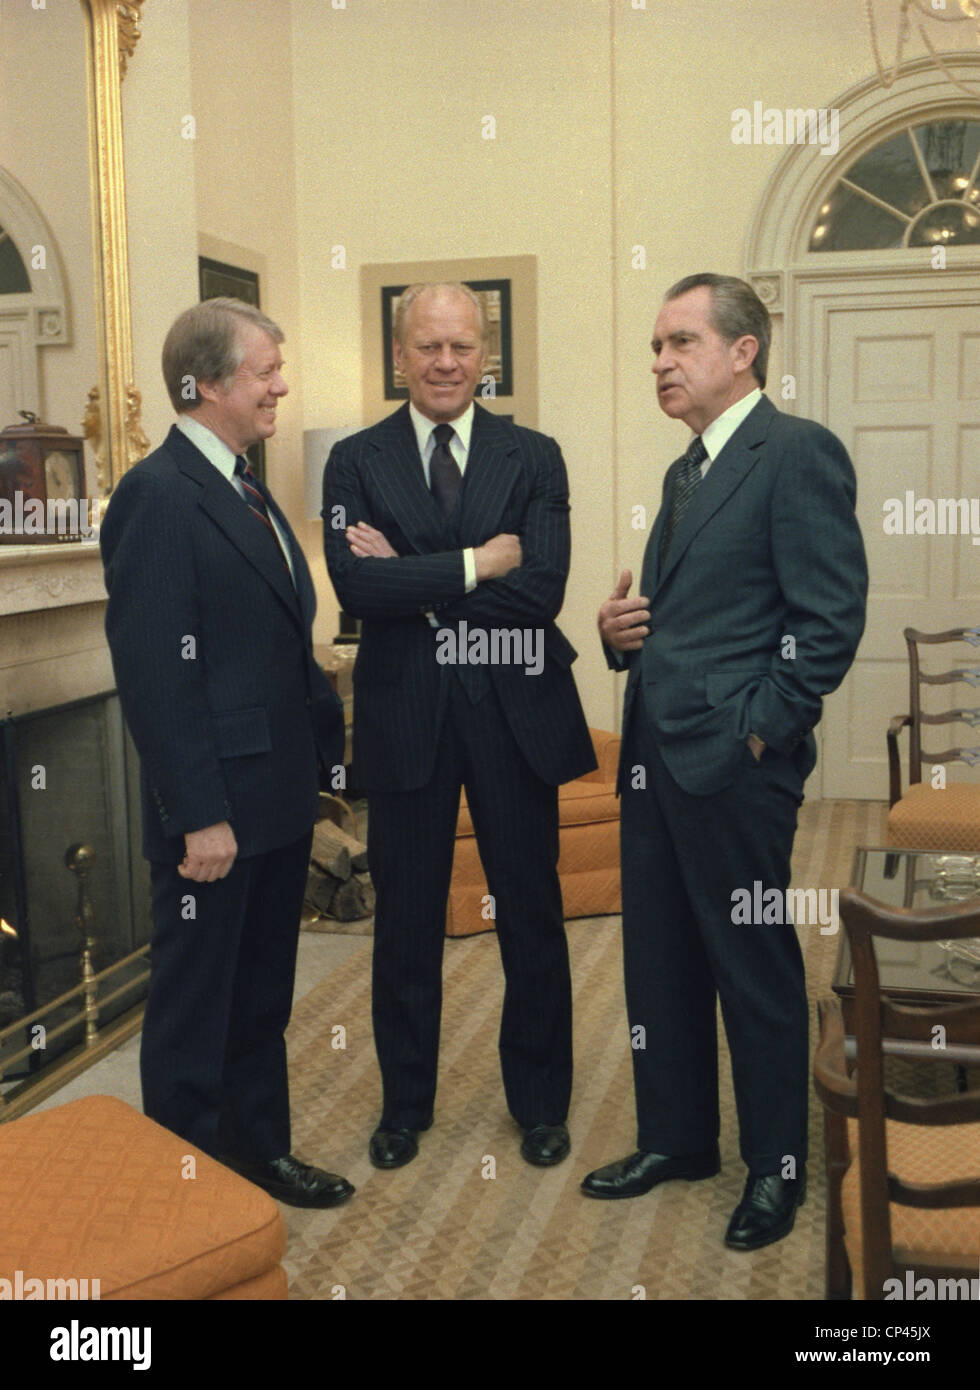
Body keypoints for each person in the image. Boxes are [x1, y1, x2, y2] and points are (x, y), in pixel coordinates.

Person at [582, 274, 867, 1249]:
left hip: (734, 764)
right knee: (657, 960)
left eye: (678, 343)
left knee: (749, 965)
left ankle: (775, 1168)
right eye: (655, 346)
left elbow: (826, 621)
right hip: (654, 758)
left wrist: (761, 728)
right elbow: (688, 618)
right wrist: (621, 634)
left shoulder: (793, 454)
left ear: (742, 351)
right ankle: (676, 1138)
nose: (658, 362)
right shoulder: (684, 471)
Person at [323, 282, 595, 1170]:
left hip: (513, 709)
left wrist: (418, 573)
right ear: (399, 355)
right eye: (428, 347)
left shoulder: (537, 455)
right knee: (403, 921)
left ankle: (542, 1104)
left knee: (531, 913)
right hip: (407, 718)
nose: (447, 364)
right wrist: (479, 562)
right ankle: (405, 1107)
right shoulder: (354, 462)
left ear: (487, 355)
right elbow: (359, 593)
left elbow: (543, 589)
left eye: (463, 347)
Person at [100, 297, 352, 1209]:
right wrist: (198, 814)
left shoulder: (245, 482)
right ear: (203, 384)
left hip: (275, 801)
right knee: (194, 1013)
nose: (281, 384)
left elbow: (279, 637)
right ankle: (187, 1199)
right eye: (264, 371)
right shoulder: (158, 495)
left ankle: (259, 1155)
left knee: (259, 1001)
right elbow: (156, 678)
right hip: (215, 816)